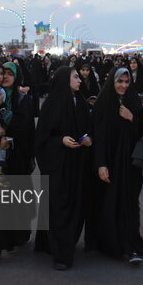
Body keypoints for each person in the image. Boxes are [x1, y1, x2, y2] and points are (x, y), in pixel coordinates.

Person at [0, 62, 36, 267]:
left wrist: (3, 107)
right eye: (2, 73)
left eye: (10, 73)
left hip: (16, 160)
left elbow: (24, 127)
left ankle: (14, 238)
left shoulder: (22, 99)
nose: (5, 77)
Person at [35, 67, 93, 270]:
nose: (79, 80)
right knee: (58, 206)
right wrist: (60, 141)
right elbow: (42, 138)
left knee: (75, 204)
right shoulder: (52, 104)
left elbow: (87, 127)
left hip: (77, 164)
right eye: (75, 77)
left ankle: (62, 245)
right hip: (58, 166)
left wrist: (86, 137)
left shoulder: (80, 102)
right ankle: (61, 255)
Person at [91, 67, 143, 264]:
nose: (123, 85)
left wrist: (131, 118)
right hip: (110, 163)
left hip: (130, 165)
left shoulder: (134, 103)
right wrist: (101, 164)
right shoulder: (103, 104)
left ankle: (131, 247)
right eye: (119, 81)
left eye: (126, 81)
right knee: (110, 202)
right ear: (112, 82)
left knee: (130, 203)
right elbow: (99, 137)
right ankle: (111, 244)